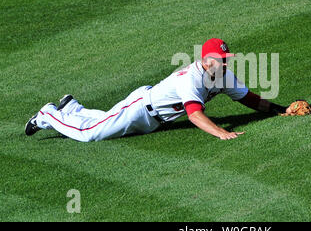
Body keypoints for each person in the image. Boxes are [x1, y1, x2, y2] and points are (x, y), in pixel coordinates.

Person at [25, 38, 287, 142]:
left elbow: (249, 99)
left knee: (103, 119)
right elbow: (194, 114)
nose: (227, 61)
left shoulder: (224, 75)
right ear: (207, 60)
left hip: (152, 118)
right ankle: (48, 114)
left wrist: (281, 110)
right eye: (222, 58)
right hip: (140, 109)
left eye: (228, 57)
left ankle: (72, 107)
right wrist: (221, 133)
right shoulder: (191, 78)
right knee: (90, 134)